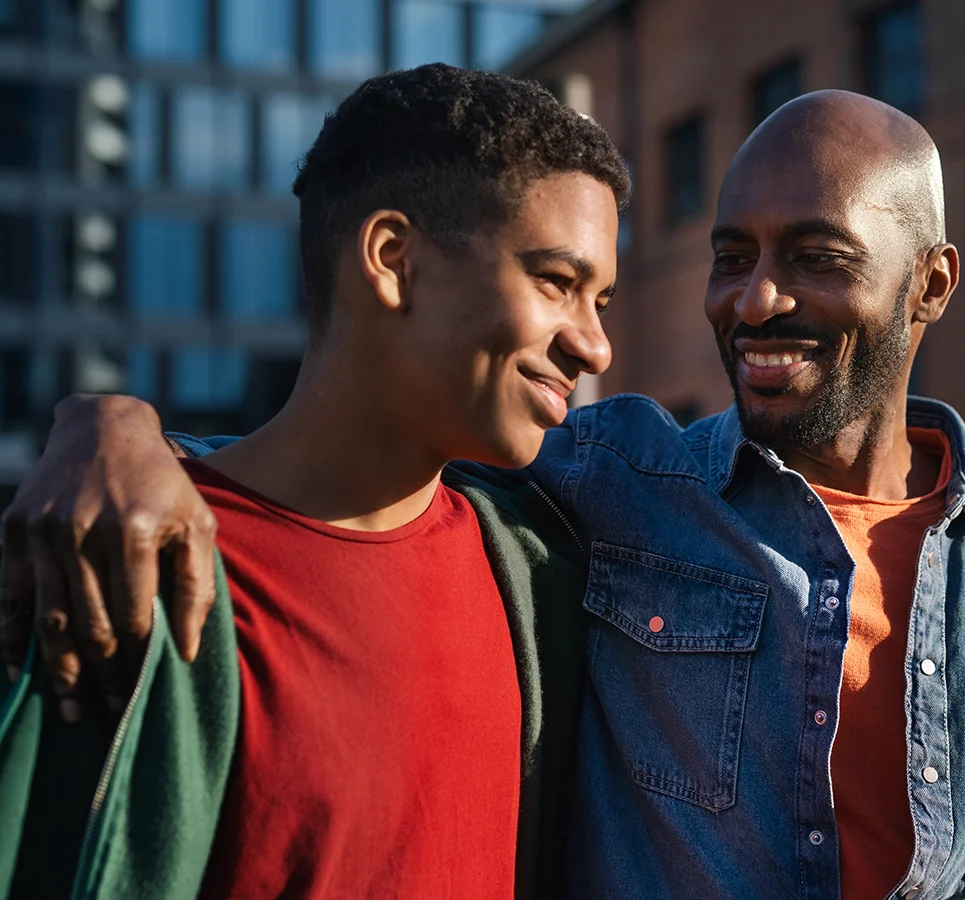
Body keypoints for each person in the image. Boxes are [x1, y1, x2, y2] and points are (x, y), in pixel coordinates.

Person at [3, 91, 965, 899]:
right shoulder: (606, 490)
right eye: (731, 257)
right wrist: (115, 428)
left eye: (816, 257)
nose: (755, 301)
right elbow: (339, 460)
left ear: (930, 286)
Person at [0, 63, 626, 898]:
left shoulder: (548, 568)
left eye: (601, 301)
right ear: (393, 259)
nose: (593, 346)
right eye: (557, 283)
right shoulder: (127, 570)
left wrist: (111, 421)